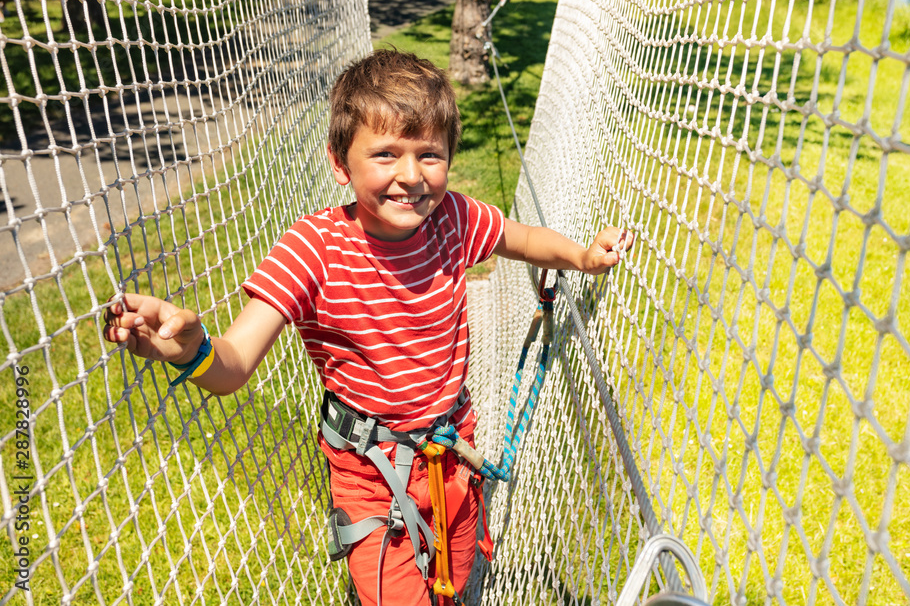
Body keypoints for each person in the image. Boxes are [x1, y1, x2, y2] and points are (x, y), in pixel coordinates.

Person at [102, 49, 633, 605]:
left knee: (454, 588)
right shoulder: (313, 249)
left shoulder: (452, 216)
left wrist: (581, 257)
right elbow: (233, 364)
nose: (411, 176)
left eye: (430, 154)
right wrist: (190, 348)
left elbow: (517, 239)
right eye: (385, 154)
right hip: (371, 477)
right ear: (340, 163)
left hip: (453, 454)